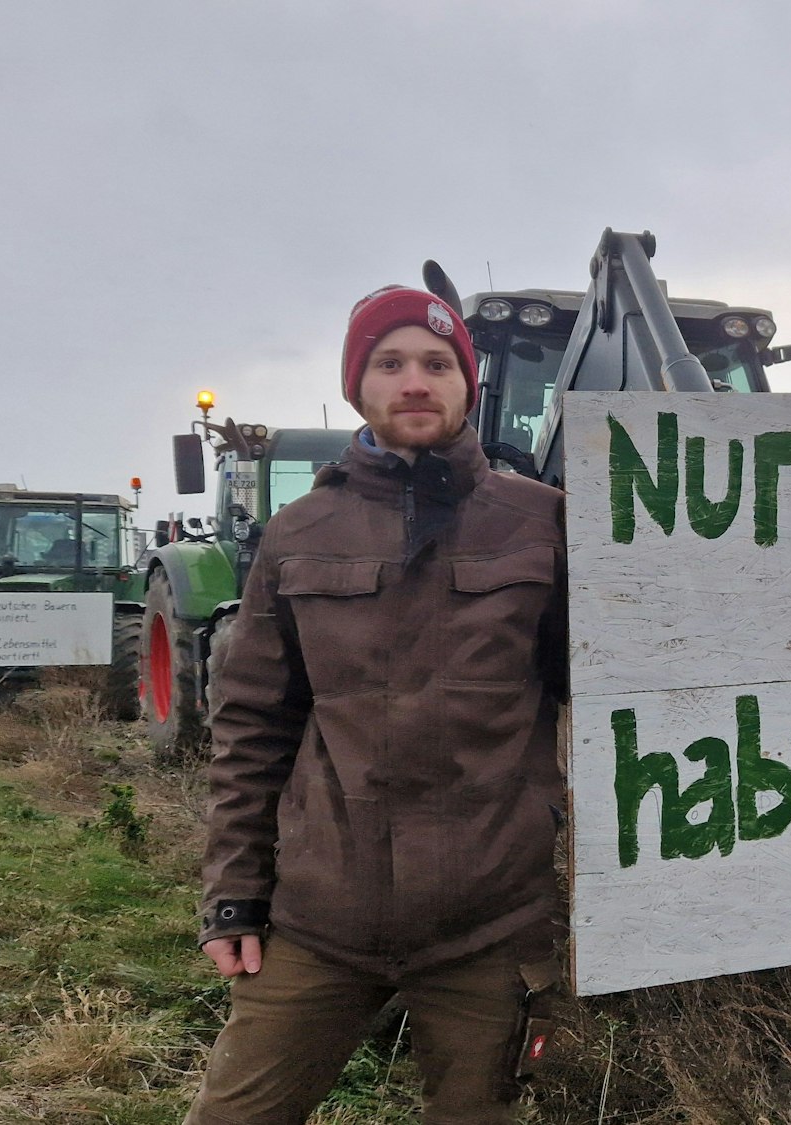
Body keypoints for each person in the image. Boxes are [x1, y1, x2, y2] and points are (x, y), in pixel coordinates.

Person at [185, 285, 568, 1124]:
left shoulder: (543, 525)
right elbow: (253, 726)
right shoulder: (299, 533)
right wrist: (235, 891)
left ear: (468, 383)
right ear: (359, 386)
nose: (415, 381)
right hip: (322, 919)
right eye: (389, 364)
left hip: (490, 925)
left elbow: (611, 689)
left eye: (437, 363)